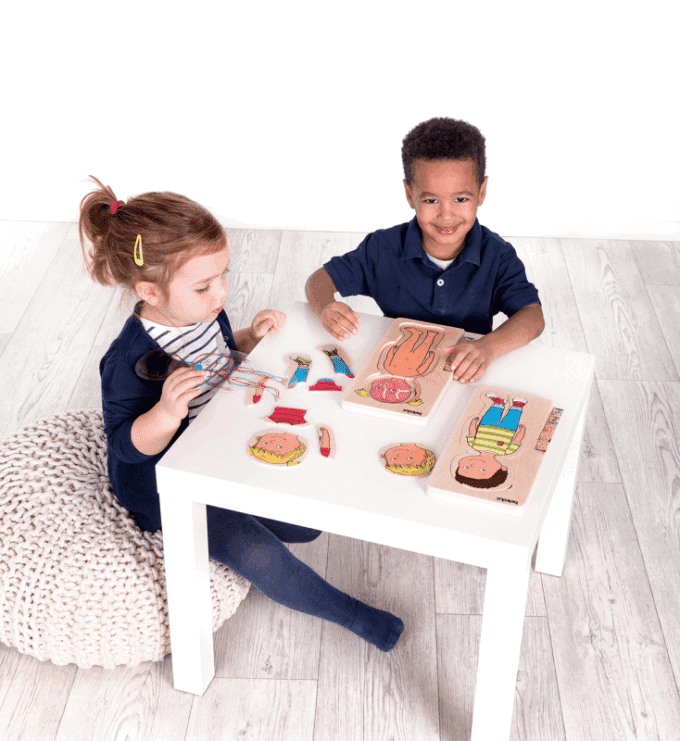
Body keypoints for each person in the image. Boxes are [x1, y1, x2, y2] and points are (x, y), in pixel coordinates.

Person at [79, 177, 404, 652]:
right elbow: (127, 447)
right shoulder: (128, 359)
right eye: (204, 286)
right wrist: (166, 413)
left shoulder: (206, 313)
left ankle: (242, 508)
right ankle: (356, 616)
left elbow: (222, 353)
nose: (221, 293)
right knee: (258, 553)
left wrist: (252, 336)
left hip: (218, 440)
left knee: (308, 525)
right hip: (162, 480)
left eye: (224, 275)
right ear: (150, 290)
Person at [305, 117, 545, 384]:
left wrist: (488, 347)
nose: (446, 215)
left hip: (464, 375)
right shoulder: (382, 248)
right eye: (431, 200)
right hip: (396, 370)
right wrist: (326, 307)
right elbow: (319, 281)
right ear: (410, 194)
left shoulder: (497, 255)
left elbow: (532, 317)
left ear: (481, 192)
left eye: (460, 199)